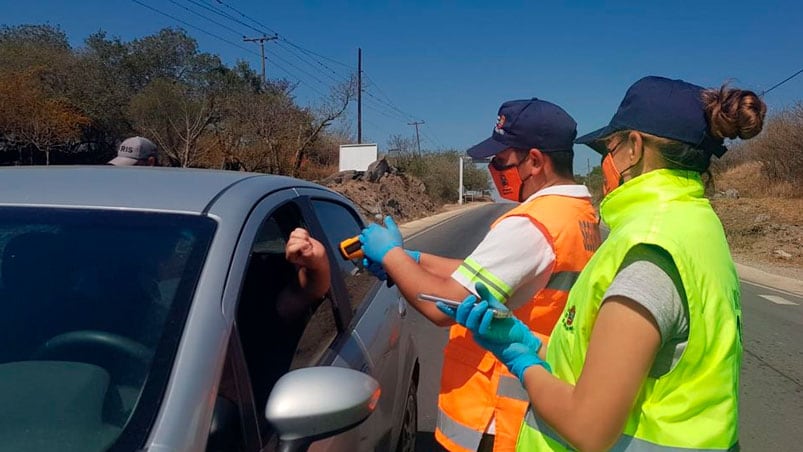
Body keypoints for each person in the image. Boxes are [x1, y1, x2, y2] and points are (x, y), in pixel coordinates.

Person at [442, 76, 766, 451]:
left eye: (608, 149)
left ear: (635, 147)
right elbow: (604, 361)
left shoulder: (650, 250)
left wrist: (519, 360)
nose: (606, 163)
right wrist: (530, 341)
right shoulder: (696, 225)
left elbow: (588, 428)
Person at [359, 98, 601, 452]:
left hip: (493, 418)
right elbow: (491, 278)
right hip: (540, 395)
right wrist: (414, 259)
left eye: (501, 161)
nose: (494, 171)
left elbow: (442, 306)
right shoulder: (577, 214)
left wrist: (391, 255)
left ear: (534, 160)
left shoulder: (530, 225)